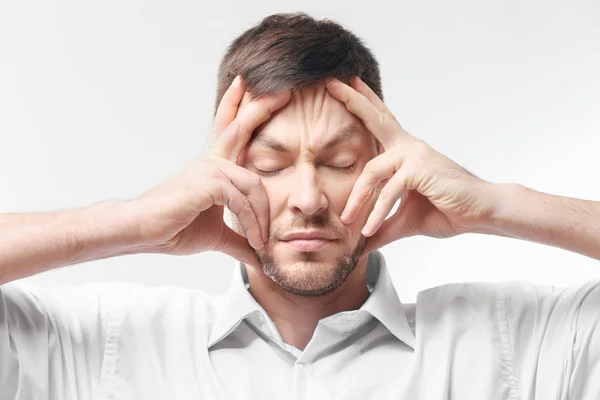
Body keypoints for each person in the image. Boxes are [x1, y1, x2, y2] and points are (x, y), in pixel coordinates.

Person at [1, 12, 599, 400]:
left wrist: (495, 204)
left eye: (340, 163)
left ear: (388, 164)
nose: (309, 200)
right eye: (270, 165)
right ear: (221, 172)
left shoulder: (511, 342)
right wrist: (130, 223)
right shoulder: (102, 344)